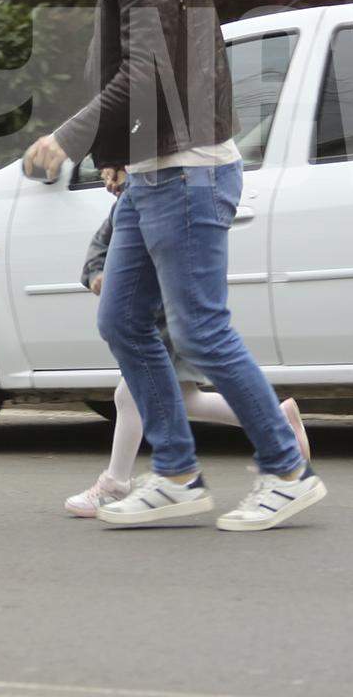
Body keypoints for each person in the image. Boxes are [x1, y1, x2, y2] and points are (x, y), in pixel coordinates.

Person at [24, 0, 326, 532]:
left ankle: (287, 469)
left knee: (200, 333)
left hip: (185, 179)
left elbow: (149, 67)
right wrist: (117, 154)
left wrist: (67, 137)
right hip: (157, 174)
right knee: (123, 319)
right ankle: (177, 474)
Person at [65, 166, 310, 518]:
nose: (108, 181)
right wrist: (99, 277)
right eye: (104, 173)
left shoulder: (163, 199)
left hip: (162, 320)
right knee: (179, 399)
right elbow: (99, 250)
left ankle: (117, 482)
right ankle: (275, 424)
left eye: (112, 170)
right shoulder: (129, 206)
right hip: (151, 318)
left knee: (132, 395)